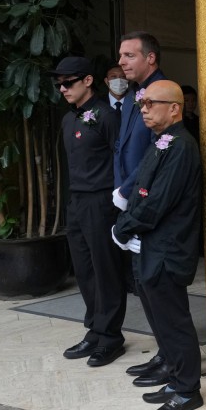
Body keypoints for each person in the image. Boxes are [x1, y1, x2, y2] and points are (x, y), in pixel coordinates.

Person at [112, 81, 204, 410]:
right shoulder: (162, 142)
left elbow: (157, 202)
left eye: (151, 103)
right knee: (159, 319)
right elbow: (142, 191)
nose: (144, 108)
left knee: (174, 321)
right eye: (143, 103)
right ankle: (176, 378)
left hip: (167, 249)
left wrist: (121, 227)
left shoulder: (181, 146)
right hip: (149, 246)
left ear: (175, 108)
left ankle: (187, 390)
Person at [52, 57, 128, 367]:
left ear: (87, 81)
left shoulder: (107, 117)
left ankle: (111, 337)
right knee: (84, 269)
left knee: (105, 269)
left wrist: (120, 204)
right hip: (77, 202)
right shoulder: (69, 120)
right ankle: (95, 330)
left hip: (101, 201)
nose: (63, 89)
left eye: (68, 83)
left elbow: (121, 160)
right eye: (59, 84)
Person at [113, 31, 175, 386]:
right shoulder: (133, 95)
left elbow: (157, 151)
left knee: (155, 283)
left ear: (150, 58)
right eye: (121, 55)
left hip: (147, 202)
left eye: (129, 55)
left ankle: (172, 357)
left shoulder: (160, 92)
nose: (122, 62)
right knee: (142, 281)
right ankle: (164, 352)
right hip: (130, 200)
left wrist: (126, 191)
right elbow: (121, 148)